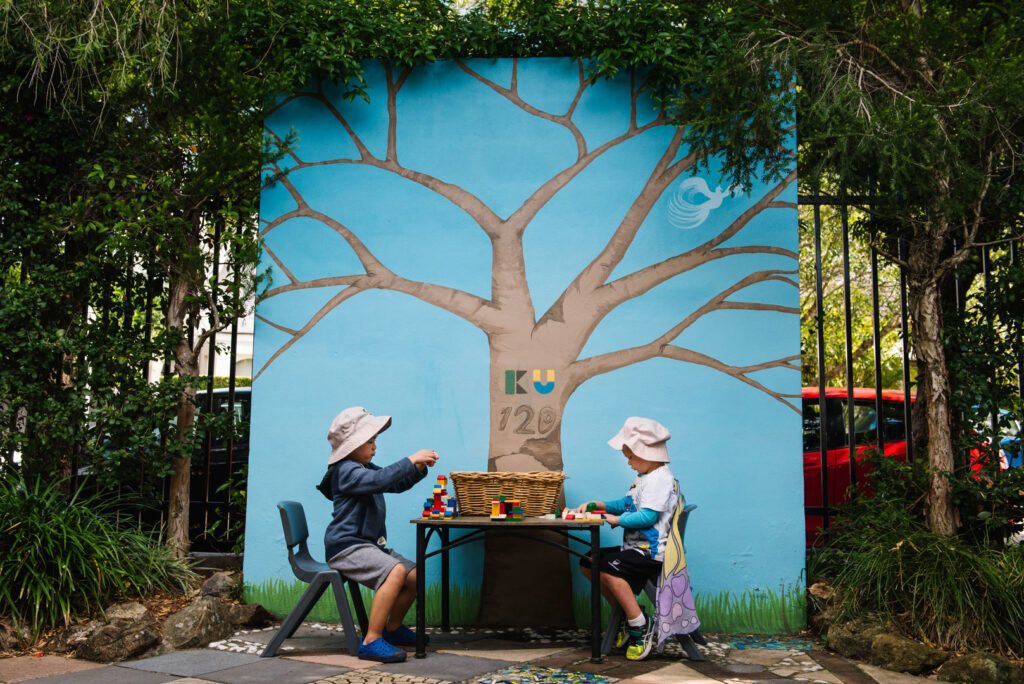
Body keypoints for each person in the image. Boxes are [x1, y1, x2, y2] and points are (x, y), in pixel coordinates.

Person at [317, 406, 439, 663]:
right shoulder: (346, 471)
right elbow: (381, 480)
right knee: (394, 572)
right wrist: (409, 459)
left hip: (367, 545)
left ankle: (392, 628)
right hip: (346, 547)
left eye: (375, 441)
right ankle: (372, 639)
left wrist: (417, 468)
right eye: (370, 441)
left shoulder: (365, 468)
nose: (374, 446)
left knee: (413, 575)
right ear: (351, 445)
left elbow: (393, 482)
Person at [574, 416, 679, 661]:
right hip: (634, 549)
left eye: (631, 457)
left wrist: (615, 520)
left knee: (607, 567)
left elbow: (646, 517)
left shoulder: (660, 479)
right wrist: (600, 505)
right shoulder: (645, 477)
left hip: (650, 553)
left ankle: (641, 626)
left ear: (646, 453)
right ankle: (626, 615)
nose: (629, 463)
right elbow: (627, 504)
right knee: (588, 561)